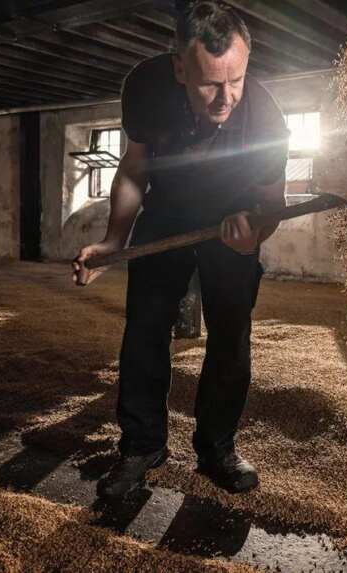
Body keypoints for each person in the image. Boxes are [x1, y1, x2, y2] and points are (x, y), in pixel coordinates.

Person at [72, 1, 289, 499]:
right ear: (178, 67)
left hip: (235, 216)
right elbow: (134, 171)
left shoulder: (268, 122)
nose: (225, 97)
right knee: (145, 326)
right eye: (210, 83)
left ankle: (217, 449)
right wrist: (113, 241)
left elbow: (272, 203)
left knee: (231, 331)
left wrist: (255, 233)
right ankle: (142, 445)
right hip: (166, 210)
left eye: (235, 80)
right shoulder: (146, 86)